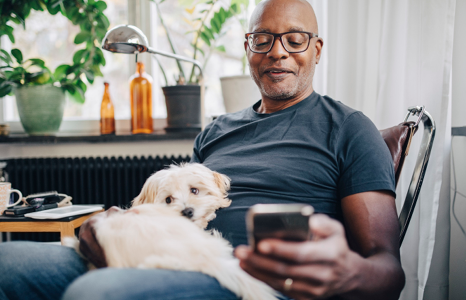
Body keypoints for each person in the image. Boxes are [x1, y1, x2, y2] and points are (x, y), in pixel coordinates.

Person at [0, 0, 405, 299]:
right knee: (9, 265)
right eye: (263, 39)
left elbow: (388, 269)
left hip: (248, 282)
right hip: (167, 255)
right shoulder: (216, 130)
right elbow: (177, 205)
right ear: (249, 49)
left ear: (316, 49)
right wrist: (118, 222)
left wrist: (346, 272)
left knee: (101, 293)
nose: (277, 51)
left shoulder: (350, 129)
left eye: (295, 39)